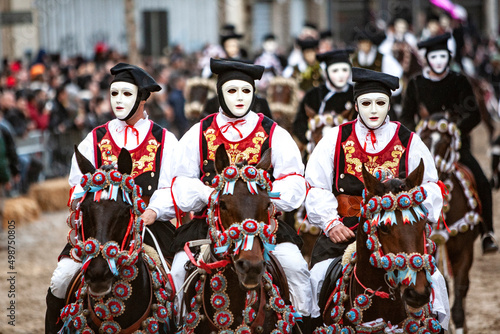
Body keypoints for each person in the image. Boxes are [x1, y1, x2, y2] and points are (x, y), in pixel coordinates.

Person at [169, 58, 312, 330]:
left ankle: (303, 324)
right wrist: (209, 193)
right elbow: (181, 180)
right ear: (221, 93)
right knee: (178, 270)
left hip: (263, 225)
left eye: (246, 91)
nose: (239, 97)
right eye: (232, 90)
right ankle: (178, 324)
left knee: (295, 267)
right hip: (208, 225)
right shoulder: (199, 132)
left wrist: (268, 195)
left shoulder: (274, 132)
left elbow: (294, 178)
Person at [305, 67, 449, 329]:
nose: (374, 110)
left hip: (399, 234)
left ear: (389, 105)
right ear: (356, 106)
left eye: (380, 103)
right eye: (366, 103)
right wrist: (330, 223)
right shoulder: (334, 139)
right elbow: (315, 185)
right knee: (315, 278)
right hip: (346, 230)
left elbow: (431, 185)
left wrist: (414, 216)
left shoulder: (409, 140)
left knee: (435, 281)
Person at [45, 63, 178, 333]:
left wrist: (153, 211)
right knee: (61, 279)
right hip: (98, 228)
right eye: (113, 93)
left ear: (142, 98)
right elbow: (77, 185)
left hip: (149, 227)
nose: (118, 100)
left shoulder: (166, 140)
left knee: (178, 279)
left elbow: (171, 187)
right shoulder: (94, 139)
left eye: (126, 94)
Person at [400, 33, 498, 254]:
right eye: (434, 56)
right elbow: (406, 116)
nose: (438, 61)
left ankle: (487, 232)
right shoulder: (416, 84)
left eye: (443, 56)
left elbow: (473, 114)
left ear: (449, 57)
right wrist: (418, 133)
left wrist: (454, 130)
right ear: (426, 58)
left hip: (456, 147)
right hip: (424, 147)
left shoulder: (459, 80)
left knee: (481, 180)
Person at [293, 49, 356, 153]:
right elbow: (299, 123)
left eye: (344, 70)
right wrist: (311, 138)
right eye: (335, 71)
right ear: (326, 72)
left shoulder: (355, 94)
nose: (340, 75)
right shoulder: (314, 94)